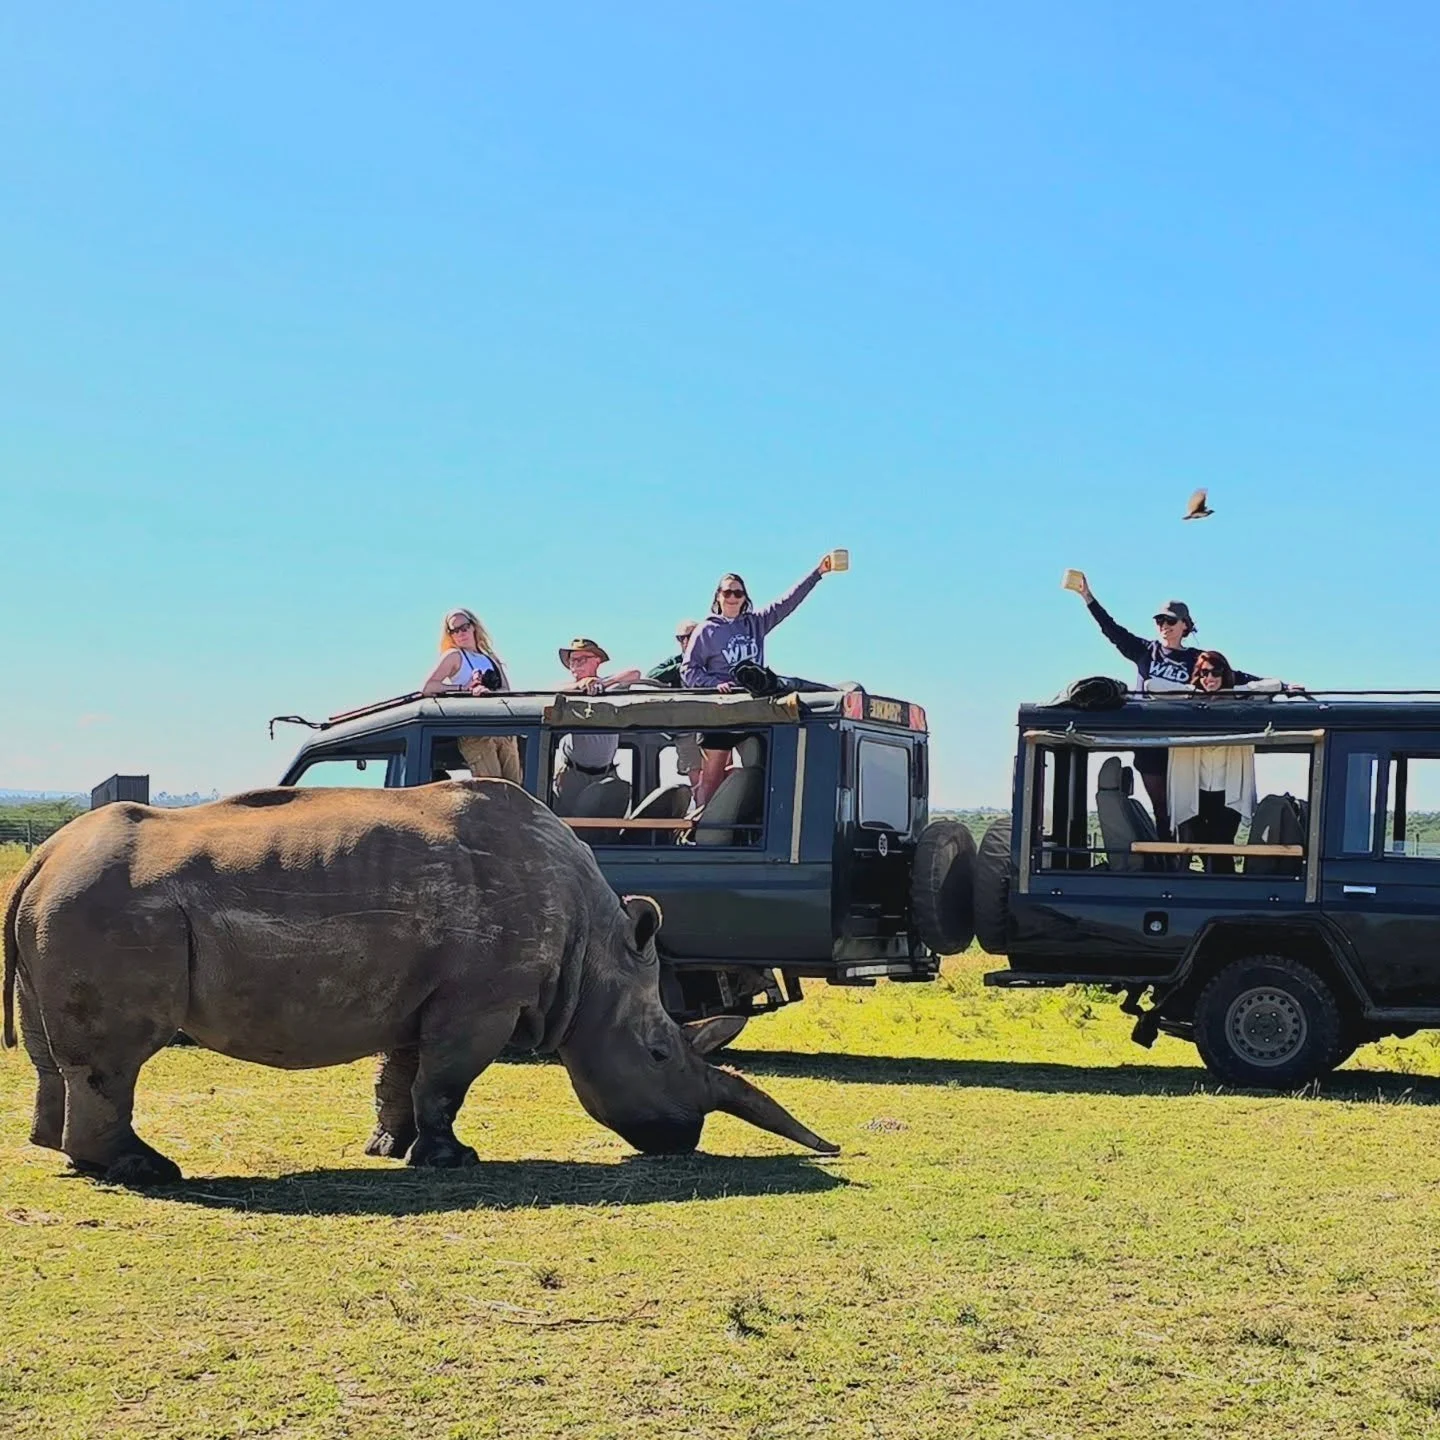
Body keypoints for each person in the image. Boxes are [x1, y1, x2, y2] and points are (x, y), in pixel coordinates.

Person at [1069, 572, 1262, 839]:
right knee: (1162, 809)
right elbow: (1112, 631)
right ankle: (1166, 859)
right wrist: (1088, 597)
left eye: (1170, 621)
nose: (1164, 625)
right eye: (1160, 620)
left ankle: (1189, 857)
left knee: (1186, 811)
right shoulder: (1145, 651)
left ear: (1185, 625)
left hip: (1184, 745)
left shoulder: (1197, 660)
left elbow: (1234, 676)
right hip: (1150, 740)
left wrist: (1285, 687)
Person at [682, 557, 836, 805]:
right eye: (727, 592)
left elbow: (787, 602)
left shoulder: (756, 623)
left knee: (757, 771)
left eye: (738, 593)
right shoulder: (706, 630)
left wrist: (818, 573)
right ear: (718, 597)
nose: (733, 597)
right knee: (711, 777)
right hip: (720, 712)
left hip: (753, 709)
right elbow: (688, 670)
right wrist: (712, 684)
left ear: (745, 598)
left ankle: (747, 822)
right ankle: (703, 823)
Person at [1168, 651, 1286, 873]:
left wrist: (1231, 691)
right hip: (1195, 790)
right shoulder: (1189, 703)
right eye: (1204, 673)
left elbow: (1274, 685)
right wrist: (1193, 691)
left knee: (1222, 843)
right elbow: (1151, 685)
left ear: (1225, 674)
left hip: (1229, 791)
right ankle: (1219, 885)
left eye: (1216, 672)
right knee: (1202, 845)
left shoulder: (1238, 703)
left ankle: (1224, 885)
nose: (1210, 678)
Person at [420, 609, 521, 783]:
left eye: (464, 627)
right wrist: (464, 689)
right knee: (493, 790)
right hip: (475, 731)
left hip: (502, 729)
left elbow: (506, 691)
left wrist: (488, 692)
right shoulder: (454, 656)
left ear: (473, 627)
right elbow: (428, 687)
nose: (460, 633)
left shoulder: (490, 658)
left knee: (515, 788)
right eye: (454, 630)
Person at [554, 638, 643, 803]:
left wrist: (602, 683)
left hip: (606, 774)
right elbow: (553, 691)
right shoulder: (567, 691)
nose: (575, 665)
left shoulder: (610, 688)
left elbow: (635, 673)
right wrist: (580, 686)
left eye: (581, 659)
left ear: (597, 661)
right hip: (573, 774)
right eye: (572, 660)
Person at [647, 621, 703, 789]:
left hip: (715, 725)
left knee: (721, 773)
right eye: (680, 638)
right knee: (696, 778)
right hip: (687, 728)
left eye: (689, 636)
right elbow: (652, 675)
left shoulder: (713, 658)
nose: (685, 641)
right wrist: (684, 667)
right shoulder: (676, 661)